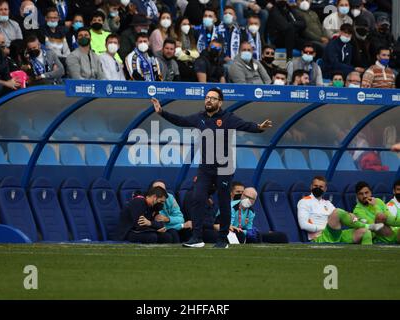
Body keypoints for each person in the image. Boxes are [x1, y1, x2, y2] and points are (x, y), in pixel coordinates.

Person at [151, 87, 273, 248]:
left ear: (220, 102)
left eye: (213, 98)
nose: (209, 100)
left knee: (223, 202)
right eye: (207, 97)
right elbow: (181, 120)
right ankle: (197, 238)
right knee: (198, 198)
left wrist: (259, 127)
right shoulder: (199, 117)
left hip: (224, 167)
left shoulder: (227, 117)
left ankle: (222, 239)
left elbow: (245, 125)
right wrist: (162, 112)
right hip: (205, 167)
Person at [297, 176, 382, 244]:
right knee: (338, 212)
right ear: (311, 187)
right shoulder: (304, 201)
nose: (318, 188)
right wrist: (323, 228)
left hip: (336, 234)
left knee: (365, 232)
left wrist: (349, 215)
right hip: (320, 237)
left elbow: (341, 216)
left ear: (325, 189)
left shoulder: (327, 203)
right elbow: (303, 225)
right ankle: (368, 225)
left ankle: (367, 260)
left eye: (321, 187)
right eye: (315, 186)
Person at [181, 176, 220, 244]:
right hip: (196, 230)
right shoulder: (193, 196)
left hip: (209, 228)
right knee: (219, 237)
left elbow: (212, 217)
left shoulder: (208, 196)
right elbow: (194, 221)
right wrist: (213, 226)